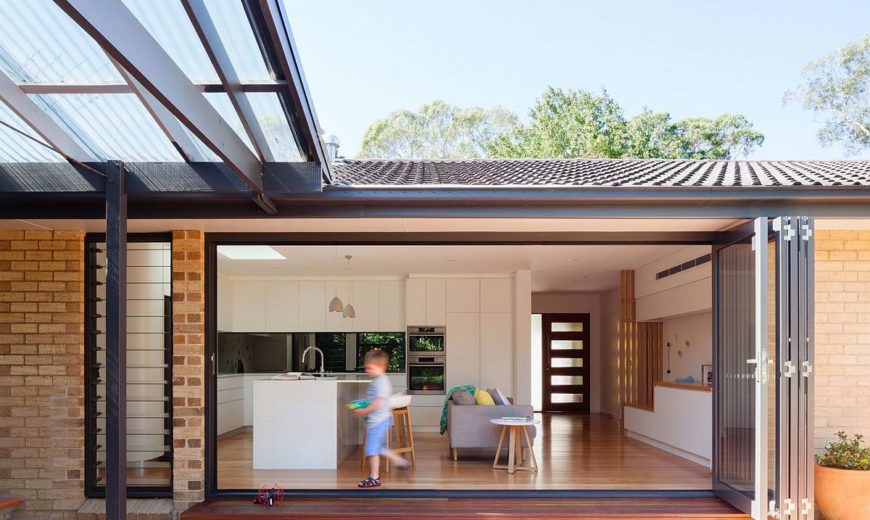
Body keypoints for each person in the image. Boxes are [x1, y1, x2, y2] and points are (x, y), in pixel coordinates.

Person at [353, 348, 409, 488]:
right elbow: (374, 400)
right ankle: (399, 461)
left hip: (379, 421)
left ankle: (374, 477)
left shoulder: (382, 381)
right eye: (367, 368)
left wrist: (364, 411)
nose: (368, 371)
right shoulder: (377, 380)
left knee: (372, 449)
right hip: (377, 420)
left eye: (371, 368)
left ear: (382, 367)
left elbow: (378, 402)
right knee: (378, 448)